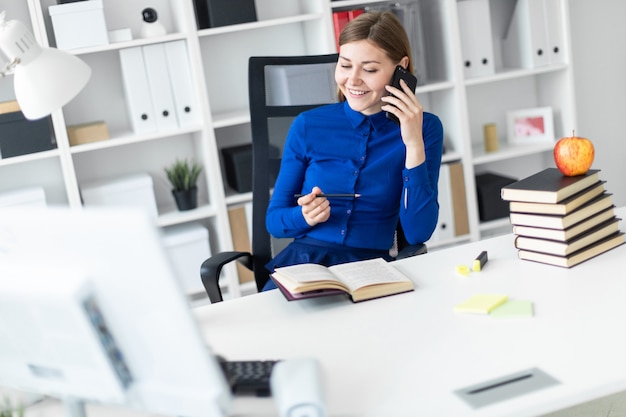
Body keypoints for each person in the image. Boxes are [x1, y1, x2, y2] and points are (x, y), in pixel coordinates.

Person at [263, 11, 444, 291]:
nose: (352, 80)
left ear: (401, 68)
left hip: (370, 271)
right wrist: (304, 217)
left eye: (369, 69)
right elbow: (275, 222)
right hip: (305, 265)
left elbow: (419, 232)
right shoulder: (307, 125)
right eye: (345, 65)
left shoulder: (425, 128)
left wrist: (413, 144)